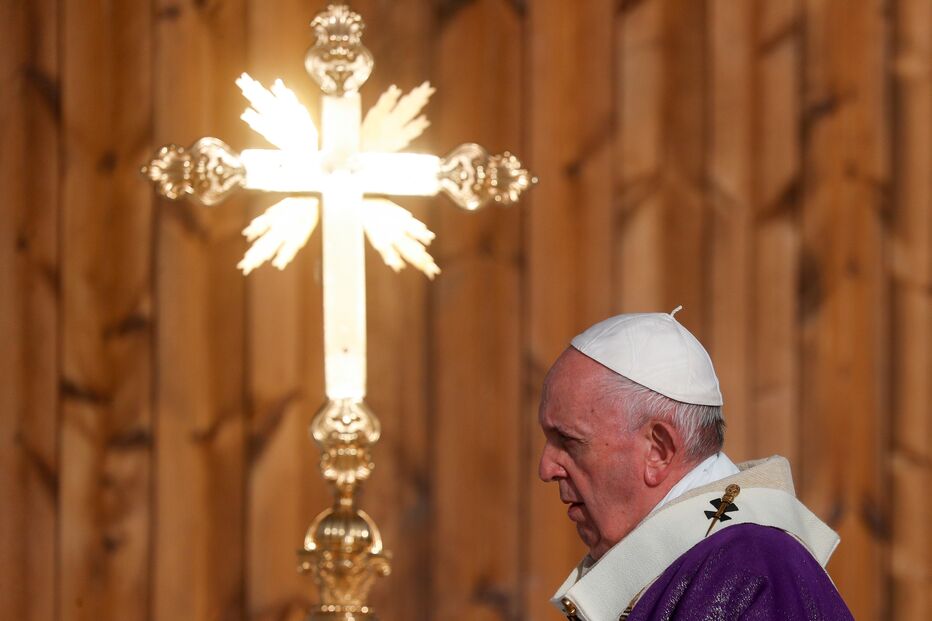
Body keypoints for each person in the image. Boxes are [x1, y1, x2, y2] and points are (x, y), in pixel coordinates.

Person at [538, 309, 853, 620]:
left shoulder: (749, 573)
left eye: (569, 442)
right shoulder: (695, 565)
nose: (546, 468)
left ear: (658, 451)